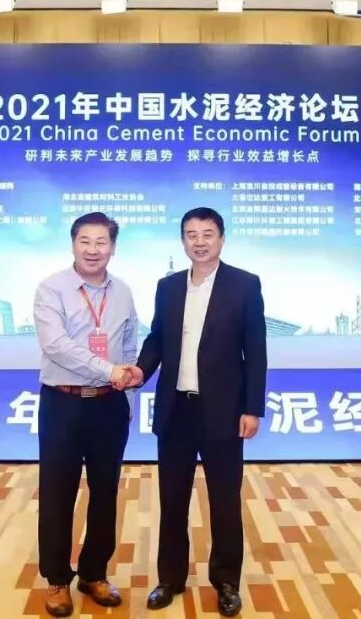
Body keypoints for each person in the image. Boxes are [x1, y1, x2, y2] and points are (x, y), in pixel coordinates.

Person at [122, 207, 267, 617]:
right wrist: (140, 370)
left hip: (223, 411)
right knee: (172, 499)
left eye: (207, 234)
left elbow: (256, 351)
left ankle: (226, 582)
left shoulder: (244, 284)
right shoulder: (168, 287)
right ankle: (170, 579)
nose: (199, 242)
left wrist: (252, 408)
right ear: (182, 240)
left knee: (224, 501)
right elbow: (157, 339)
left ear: (222, 238)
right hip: (176, 410)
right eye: (191, 234)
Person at [32, 212, 143, 618]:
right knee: (58, 492)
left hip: (109, 404)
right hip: (63, 403)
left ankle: (94, 573)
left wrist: (128, 386)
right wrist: (109, 370)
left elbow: (128, 342)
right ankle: (57, 579)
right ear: (73, 244)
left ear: (113, 247)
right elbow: (56, 345)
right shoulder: (51, 288)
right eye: (85, 241)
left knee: (105, 491)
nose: (93, 249)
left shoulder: (123, 291)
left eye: (101, 242)